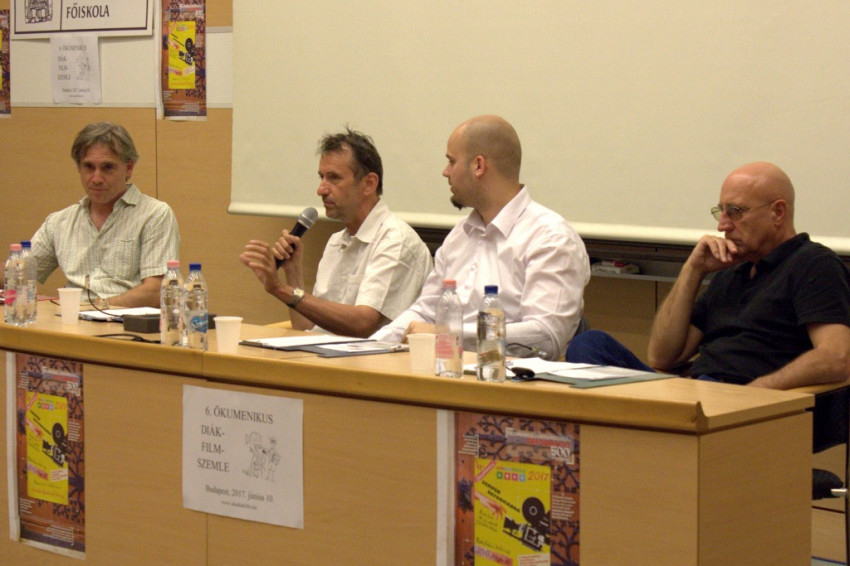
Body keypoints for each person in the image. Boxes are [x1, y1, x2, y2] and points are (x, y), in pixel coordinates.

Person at [568, 162, 850, 389]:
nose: (722, 225)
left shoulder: (814, 264)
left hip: (749, 402)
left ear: (778, 212)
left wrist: (755, 394)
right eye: (721, 211)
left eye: (735, 212)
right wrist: (693, 270)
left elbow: (836, 357)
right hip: (697, 392)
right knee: (590, 344)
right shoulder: (732, 272)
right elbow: (663, 357)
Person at [371, 115, 590, 360]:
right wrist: (369, 347)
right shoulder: (460, 235)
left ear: (478, 166)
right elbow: (425, 313)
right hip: (446, 370)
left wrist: (448, 335)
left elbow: (546, 336)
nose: (445, 172)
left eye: (451, 161)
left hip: (510, 379)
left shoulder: (551, 237)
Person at [240, 128, 432, 338]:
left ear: (369, 184)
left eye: (334, 178)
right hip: (327, 354)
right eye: (321, 177)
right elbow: (306, 328)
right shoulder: (336, 241)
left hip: (374, 357)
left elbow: (363, 324)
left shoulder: (396, 240)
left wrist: (280, 289)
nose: (321, 190)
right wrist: (292, 273)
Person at [30, 122, 181, 308]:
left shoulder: (154, 215)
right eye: (88, 167)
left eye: (107, 167)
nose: (96, 178)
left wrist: (98, 307)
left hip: (125, 322)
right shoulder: (60, 221)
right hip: (71, 320)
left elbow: (157, 291)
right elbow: (19, 274)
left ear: (129, 168)